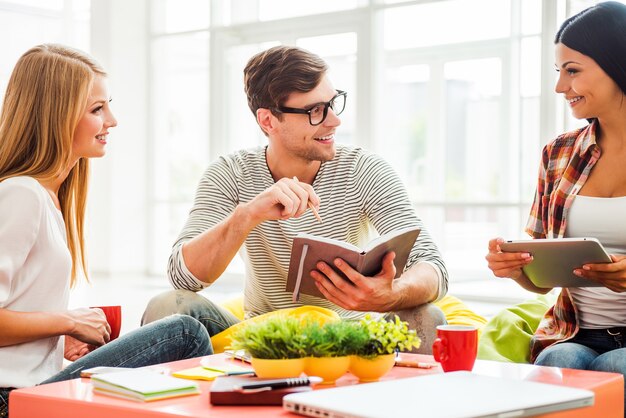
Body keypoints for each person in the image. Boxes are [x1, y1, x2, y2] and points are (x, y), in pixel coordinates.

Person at [142, 45, 448, 353]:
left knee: (428, 317)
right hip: (261, 335)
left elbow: (434, 268)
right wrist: (247, 215)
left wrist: (392, 294)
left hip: (352, 338)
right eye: (315, 111)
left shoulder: (363, 169)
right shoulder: (230, 173)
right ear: (268, 121)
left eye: (333, 103)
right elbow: (183, 277)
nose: (333, 121)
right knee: (168, 305)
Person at [0, 44, 212, 417]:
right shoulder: (21, 193)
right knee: (185, 332)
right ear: (57, 116)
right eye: (97, 109)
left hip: (26, 386)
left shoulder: (49, 197)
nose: (112, 120)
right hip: (9, 400)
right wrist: (69, 319)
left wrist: (56, 339)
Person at [485, 0, 626, 408]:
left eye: (573, 70)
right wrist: (516, 269)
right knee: (555, 361)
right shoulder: (559, 154)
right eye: (558, 71)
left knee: (616, 367)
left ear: (617, 64)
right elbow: (543, 279)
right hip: (574, 331)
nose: (560, 87)